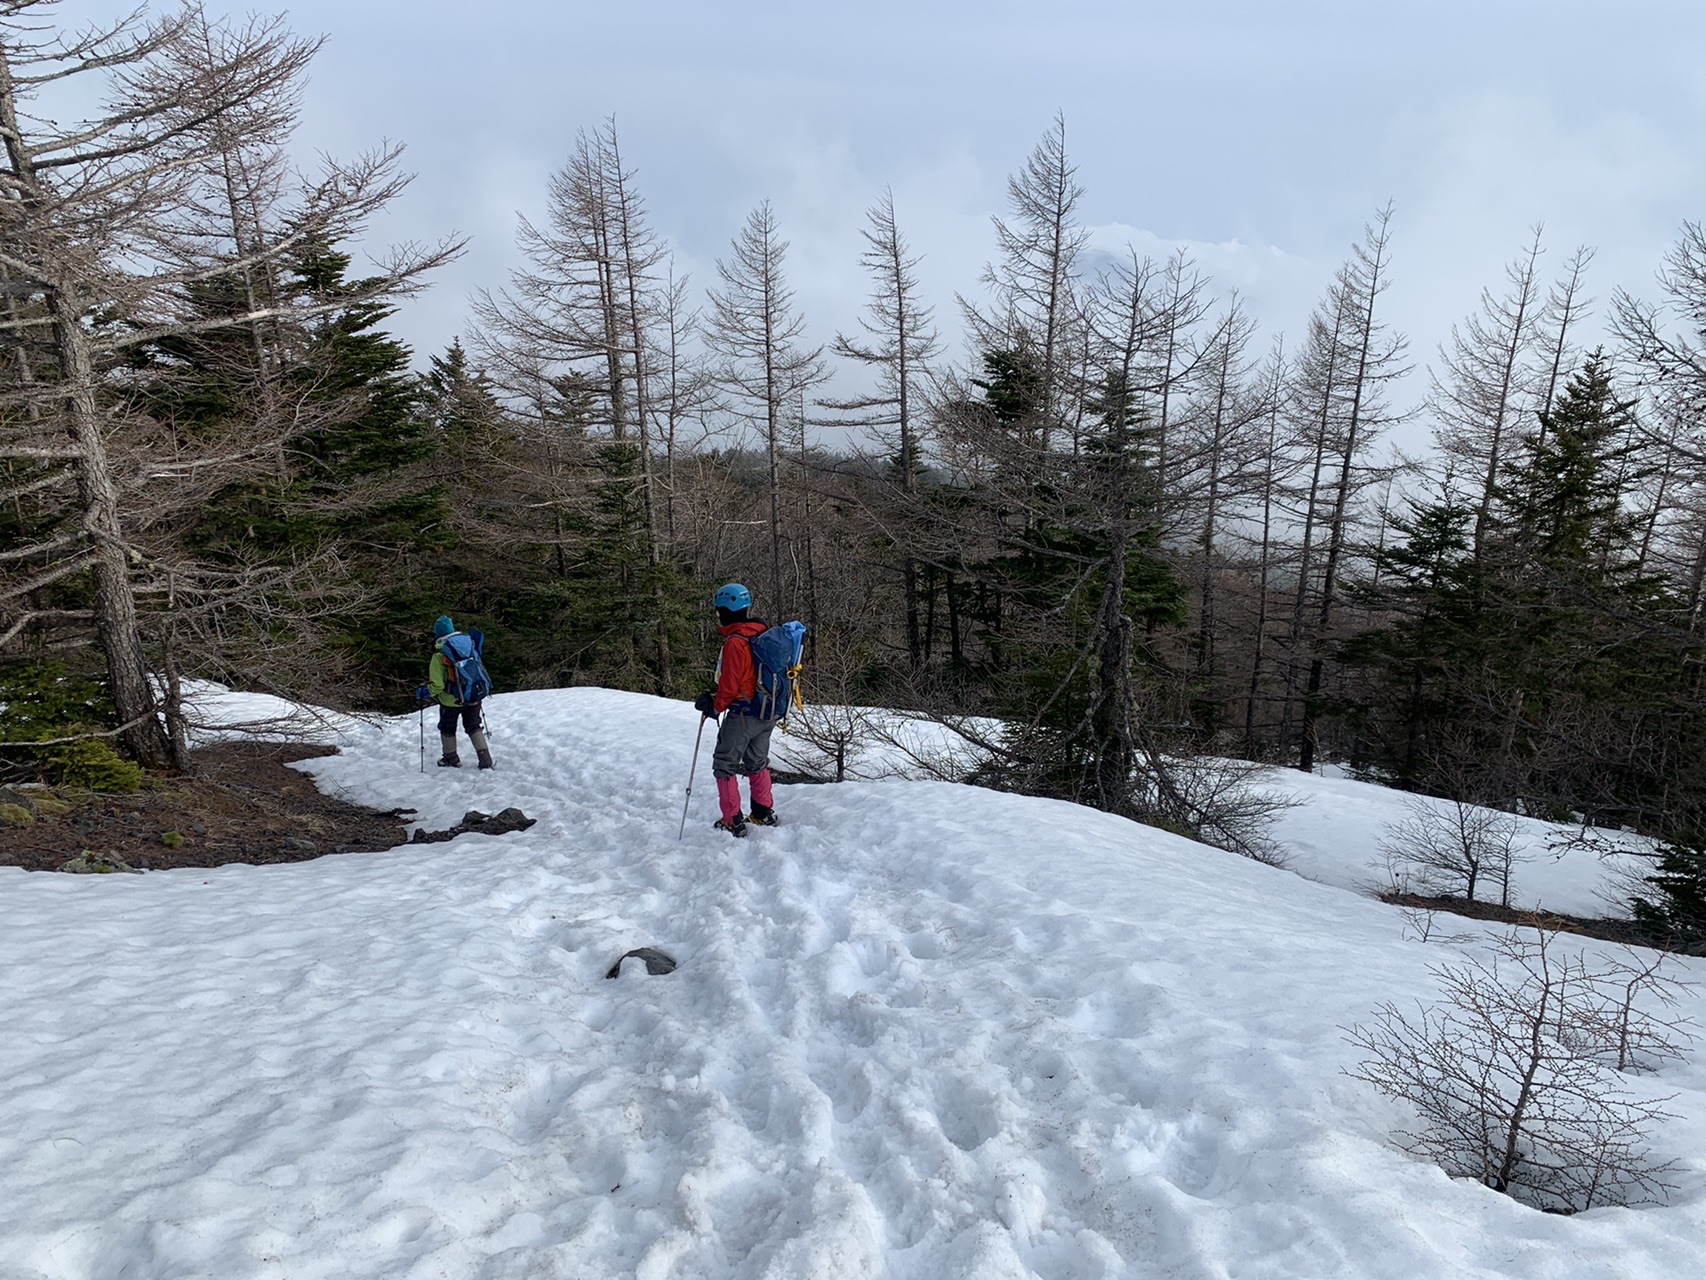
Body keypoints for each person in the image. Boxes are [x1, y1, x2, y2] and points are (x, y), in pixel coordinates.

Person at [694, 583, 779, 837]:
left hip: (743, 712)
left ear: (726, 610)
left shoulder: (736, 642)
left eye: (719, 610)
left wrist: (715, 707)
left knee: (724, 763)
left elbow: (730, 683)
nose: (718, 614)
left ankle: (732, 819)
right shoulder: (760, 633)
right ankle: (763, 812)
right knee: (757, 761)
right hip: (767, 709)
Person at [418, 615, 493, 769]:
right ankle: (485, 760)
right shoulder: (469, 646)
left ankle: (451, 758)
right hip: (474, 695)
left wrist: (426, 692)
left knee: (447, 727)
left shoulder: (439, 655)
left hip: (450, 700)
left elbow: (437, 685)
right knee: (473, 725)